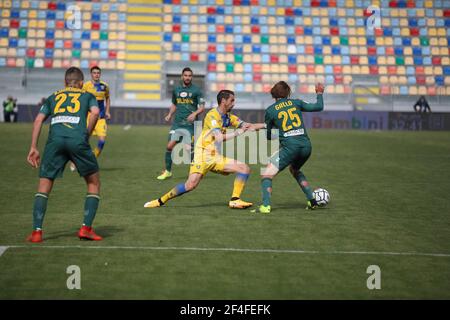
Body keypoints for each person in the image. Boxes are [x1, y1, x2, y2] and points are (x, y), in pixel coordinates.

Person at [26, 67, 103, 242]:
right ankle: (85, 229)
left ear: (65, 82)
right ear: (82, 83)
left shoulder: (53, 96)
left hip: (54, 142)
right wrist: (86, 134)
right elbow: (96, 113)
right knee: (93, 183)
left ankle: (37, 232)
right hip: (78, 140)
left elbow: (38, 119)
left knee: (44, 186)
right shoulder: (86, 95)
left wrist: (33, 147)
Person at [145, 89, 254, 209]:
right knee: (190, 185)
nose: (234, 103)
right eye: (232, 100)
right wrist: (238, 132)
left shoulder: (228, 117)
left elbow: (248, 126)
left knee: (244, 168)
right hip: (202, 155)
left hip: (215, 156)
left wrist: (267, 125)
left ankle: (235, 200)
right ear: (223, 101)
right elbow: (218, 138)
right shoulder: (212, 116)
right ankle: (160, 201)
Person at [251, 81, 325, 214]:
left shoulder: (270, 110)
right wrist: (319, 93)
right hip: (306, 146)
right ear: (288, 93)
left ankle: (265, 206)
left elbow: (268, 136)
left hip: (291, 148)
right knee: (295, 169)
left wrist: (275, 131)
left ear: (273, 94)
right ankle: (312, 201)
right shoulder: (296, 103)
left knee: (266, 175)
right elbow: (319, 106)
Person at [157, 67, 205, 180]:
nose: (187, 77)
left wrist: (194, 114)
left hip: (190, 125)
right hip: (177, 123)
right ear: (182, 76)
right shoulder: (176, 89)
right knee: (169, 146)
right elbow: (174, 104)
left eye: (189, 76)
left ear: (191, 77)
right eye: (186, 75)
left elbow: (202, 107)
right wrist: (170, 114)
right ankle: (168, 171)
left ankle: (196, 171)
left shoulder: (197, 90)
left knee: (189, 148)